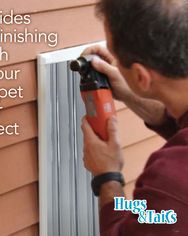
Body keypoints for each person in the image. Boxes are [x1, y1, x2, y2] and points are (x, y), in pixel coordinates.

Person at [81, 0, 188, 235]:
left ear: (141, 76)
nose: (114, 63)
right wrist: (135, 96)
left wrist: (108, 175)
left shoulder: (172, 179)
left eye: (117, 59)